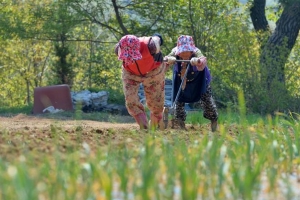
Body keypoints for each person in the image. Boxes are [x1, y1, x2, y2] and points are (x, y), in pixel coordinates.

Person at [164, 35, 218, 132]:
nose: (184, 54)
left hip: (199, 79)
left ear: (191, 50)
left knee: (207, 100)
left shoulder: (196, 52)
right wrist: (169, 60)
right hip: (181, 78)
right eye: (182, 52)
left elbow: (203, 59)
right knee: (178, 100)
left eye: (187, 52)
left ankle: (213, 120)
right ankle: (180, 122)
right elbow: (166, 58)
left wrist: (198, 61)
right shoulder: (174, 51)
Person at [115, 34, 165, 130]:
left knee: (156, 102)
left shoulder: (151, 45)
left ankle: (154, 127)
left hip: (153, 71)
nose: (131, 59)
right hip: (130, 73)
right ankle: (144, 127)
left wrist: (157, 39)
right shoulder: (118, 49)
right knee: (130, 100)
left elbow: (159, 37)